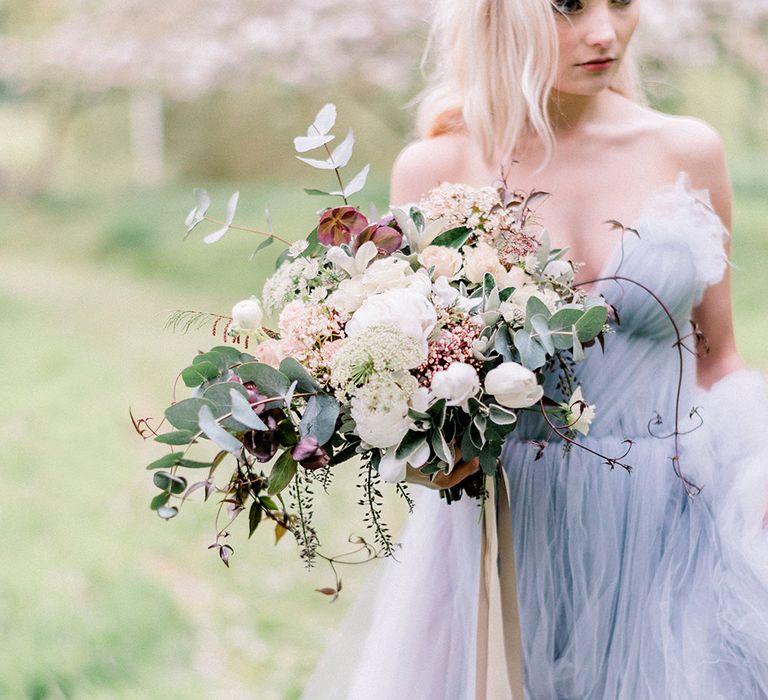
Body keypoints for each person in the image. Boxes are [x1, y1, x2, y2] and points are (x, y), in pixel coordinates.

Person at [302, 0, 768, 697]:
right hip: (508, 523)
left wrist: (758, 466)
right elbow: (417, 369)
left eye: (620, 1)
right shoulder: (435, 169)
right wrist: (423, 447)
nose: (605, 32)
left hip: (667, 518)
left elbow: (718, 357)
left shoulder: (686, 148)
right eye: (567, 6)